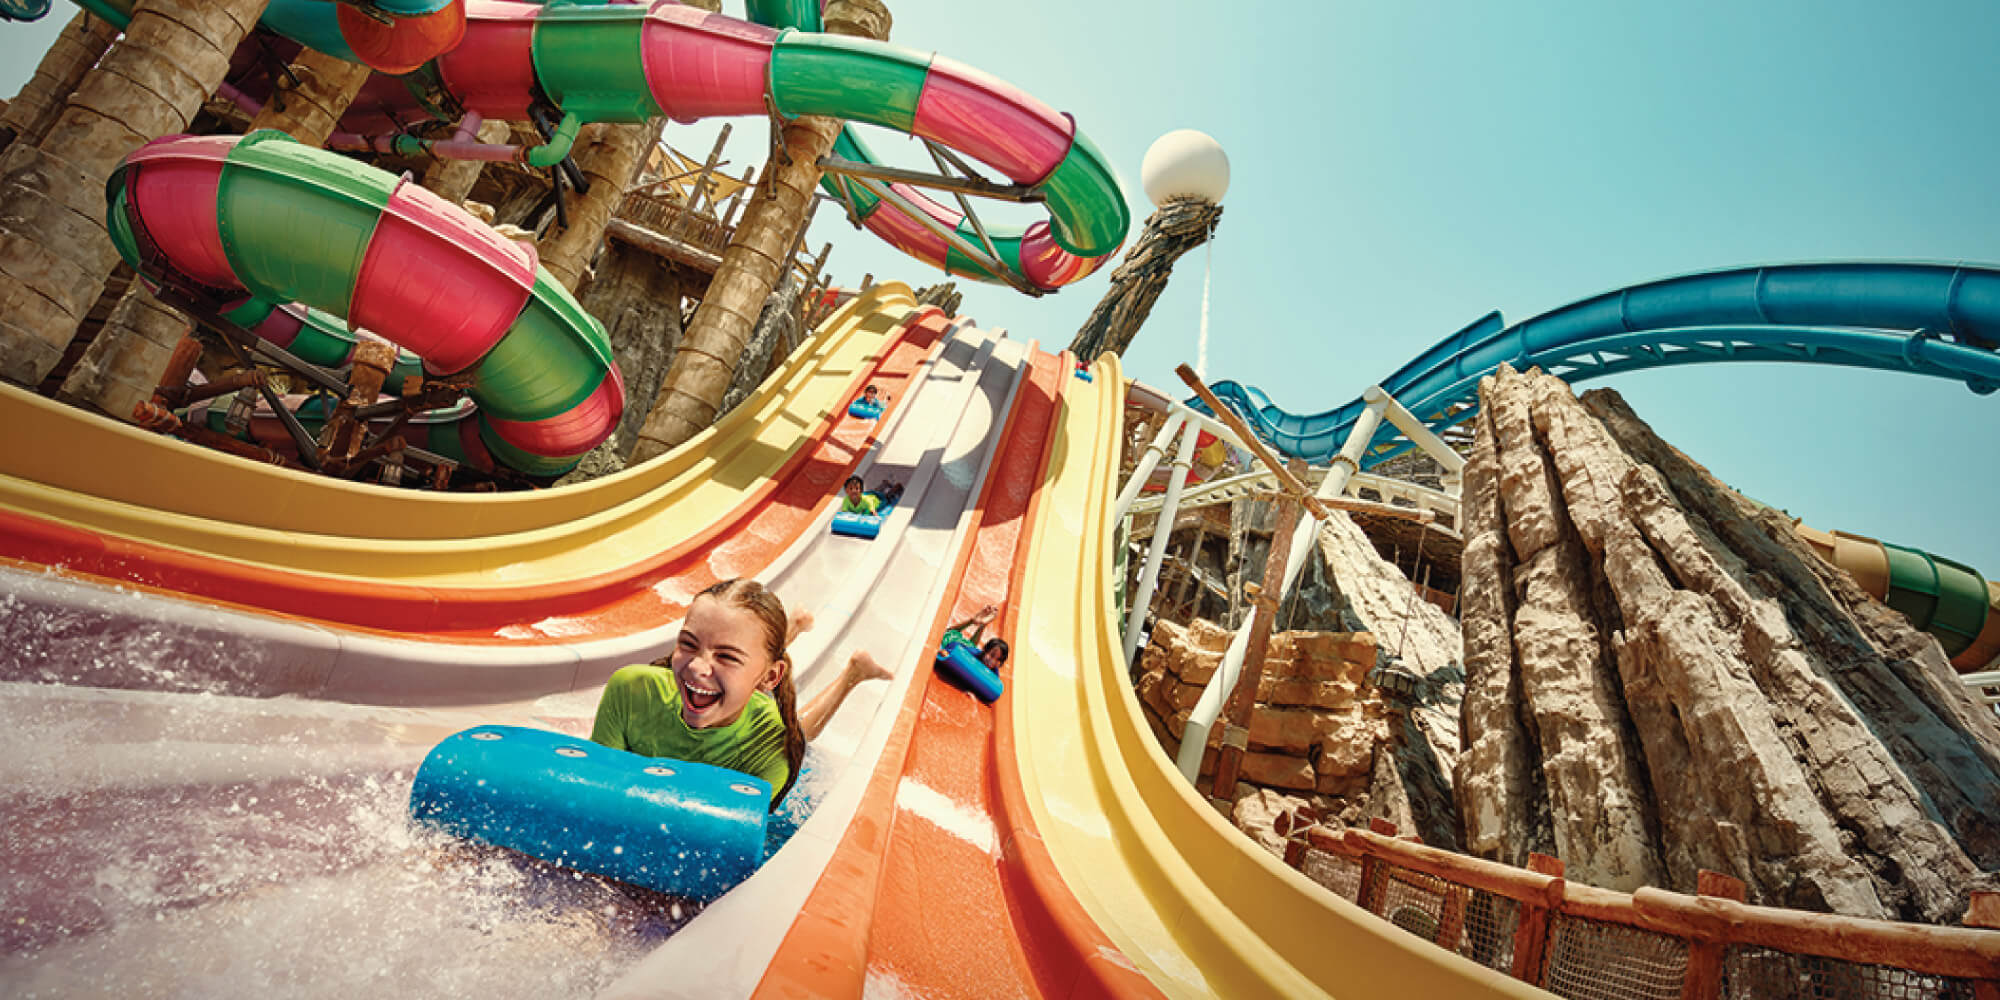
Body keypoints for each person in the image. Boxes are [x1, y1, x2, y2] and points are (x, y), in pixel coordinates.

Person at [590, 579, 889, 809]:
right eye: (688, 644)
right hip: (739, 683)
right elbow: (595, 789)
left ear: (772, 677)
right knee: (739, 662)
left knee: (799, 732)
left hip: (757, 705)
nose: (696, 668)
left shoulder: (771, 743)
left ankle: (853, 674)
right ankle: (789, 629)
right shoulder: (632, 689)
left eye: (727, 657)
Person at [940, 603, 1010, 671]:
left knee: (972, 645)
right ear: (984, 650)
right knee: (950, 632)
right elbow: (952, 646)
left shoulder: (994, 670)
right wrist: (947, 653)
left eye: (999, 660)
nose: (992, 661)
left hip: (969, 647)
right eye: (992, 655)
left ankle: (981, 624)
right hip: (952, 640)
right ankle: (973, 621)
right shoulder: (968, 653)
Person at [839, 474, 904, 515]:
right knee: (876, 490)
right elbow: (844, 512)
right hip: (870, 494)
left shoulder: (866, 501)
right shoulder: (846, 500)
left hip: (879, 500)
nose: (853, 492)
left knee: (888, 496)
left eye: (856, 489)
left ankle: (898, 486)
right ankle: (885, 484)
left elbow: (872, 511)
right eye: (850, 489)